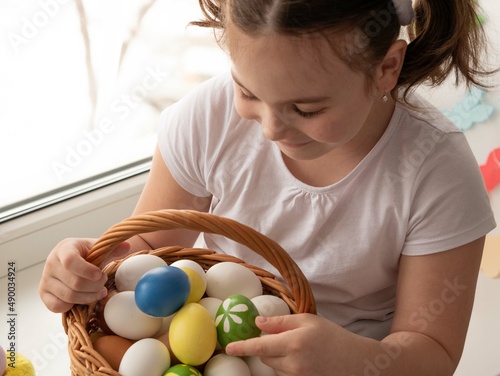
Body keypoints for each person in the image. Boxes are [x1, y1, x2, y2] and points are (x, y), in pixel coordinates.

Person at [39, 0, 497, 374]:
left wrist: (350, 359)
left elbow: (432, 352)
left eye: (306, 108)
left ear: (387, 68)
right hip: (218, 345)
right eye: (249, 93)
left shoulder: (436, 170)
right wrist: (87, 269)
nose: (273, 128)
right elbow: (144, 254)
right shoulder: (208, 118)